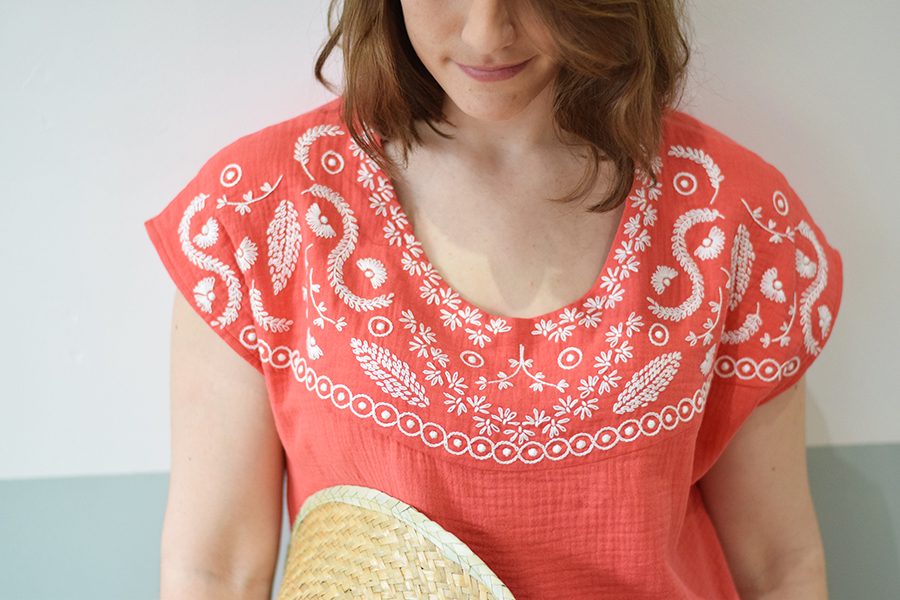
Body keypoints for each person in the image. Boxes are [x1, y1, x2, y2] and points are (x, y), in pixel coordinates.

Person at [146, 0, 842, 598]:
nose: (487, 32)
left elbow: (779, 567)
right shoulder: (260, 216)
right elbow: (215, 571)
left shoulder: (733, 222)